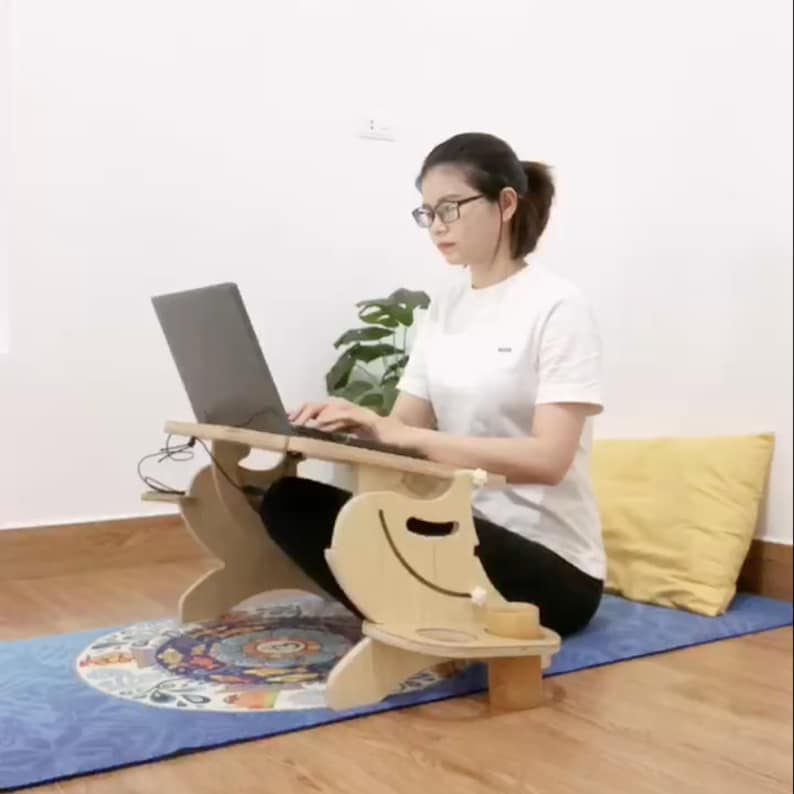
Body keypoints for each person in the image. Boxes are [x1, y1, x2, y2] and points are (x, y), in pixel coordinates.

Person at [260, 132, 605, 636]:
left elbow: (550, 461)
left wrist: (411, 438)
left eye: (450, 208)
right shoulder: (446, 306)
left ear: (505, 203)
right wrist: (355, 424)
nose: (437, 227)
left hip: (551, 564)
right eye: (427, 213)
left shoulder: (557, 306)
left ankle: (416, 612)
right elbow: (403, 427)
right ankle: (417, 613)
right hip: (460, 528)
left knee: (371, 535)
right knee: (288, 503)